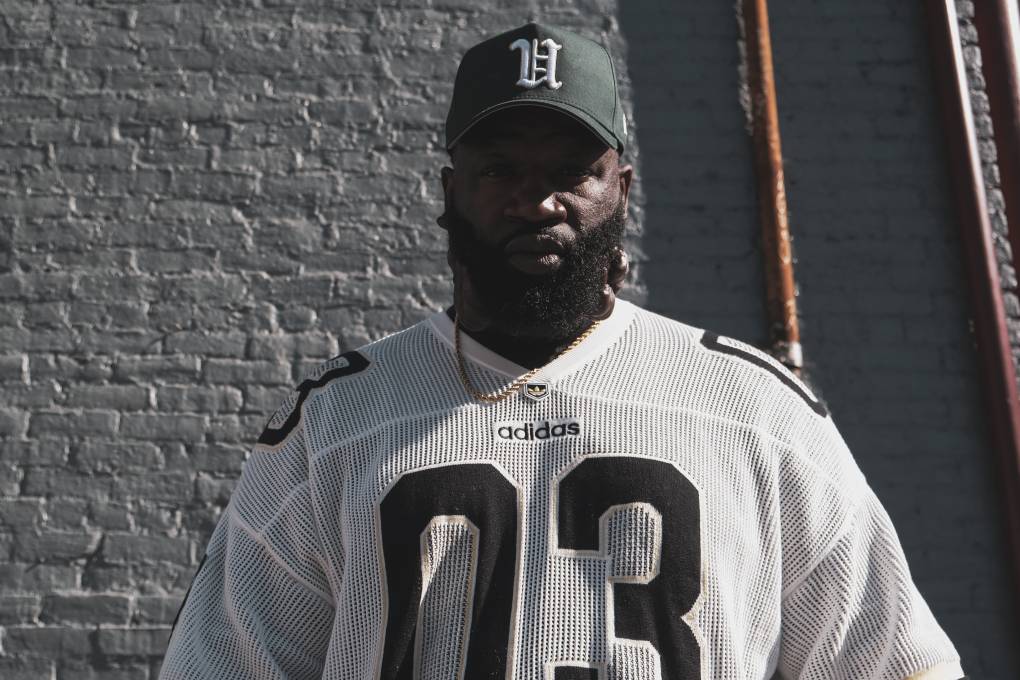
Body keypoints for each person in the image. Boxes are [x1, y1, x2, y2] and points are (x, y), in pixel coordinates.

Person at [159, 23, 966, 680]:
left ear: (622, 187)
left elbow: (892, 664)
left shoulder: (753, 411)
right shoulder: (337, 423)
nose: (536, 201)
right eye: (500, 169)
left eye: (571, 172)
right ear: (448, 193)